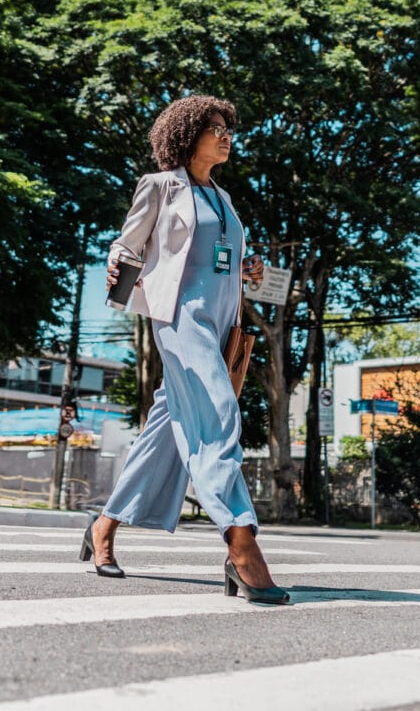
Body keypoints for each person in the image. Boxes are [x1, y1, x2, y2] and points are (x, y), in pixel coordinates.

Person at [84, 95, 289, 605]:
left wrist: (249, 272)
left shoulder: (224, 198)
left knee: (164, 435)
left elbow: (218, 258)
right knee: (218, 412)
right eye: (214, 128)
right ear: (187, 135)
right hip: (179, 316)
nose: (225, 136)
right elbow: (128, 245)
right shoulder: (160, 186)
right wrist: (117, 266)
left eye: (228, 129)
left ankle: (103, 528)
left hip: (222, 321)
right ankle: (241, 541)